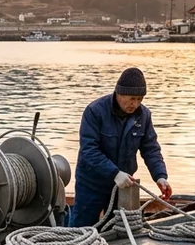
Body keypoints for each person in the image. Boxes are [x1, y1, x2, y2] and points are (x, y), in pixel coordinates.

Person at [71, 67, 171, 226]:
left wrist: (160, 176)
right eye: (132, 98)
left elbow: (151, 149)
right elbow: (89, 150)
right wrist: (114, 173)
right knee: (81, 228)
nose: (135, 104)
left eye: (140, 99)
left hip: (123, 185)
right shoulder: (94, 111)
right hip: (91, 184)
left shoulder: (144, 115)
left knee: (118, 229)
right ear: (119, 93)